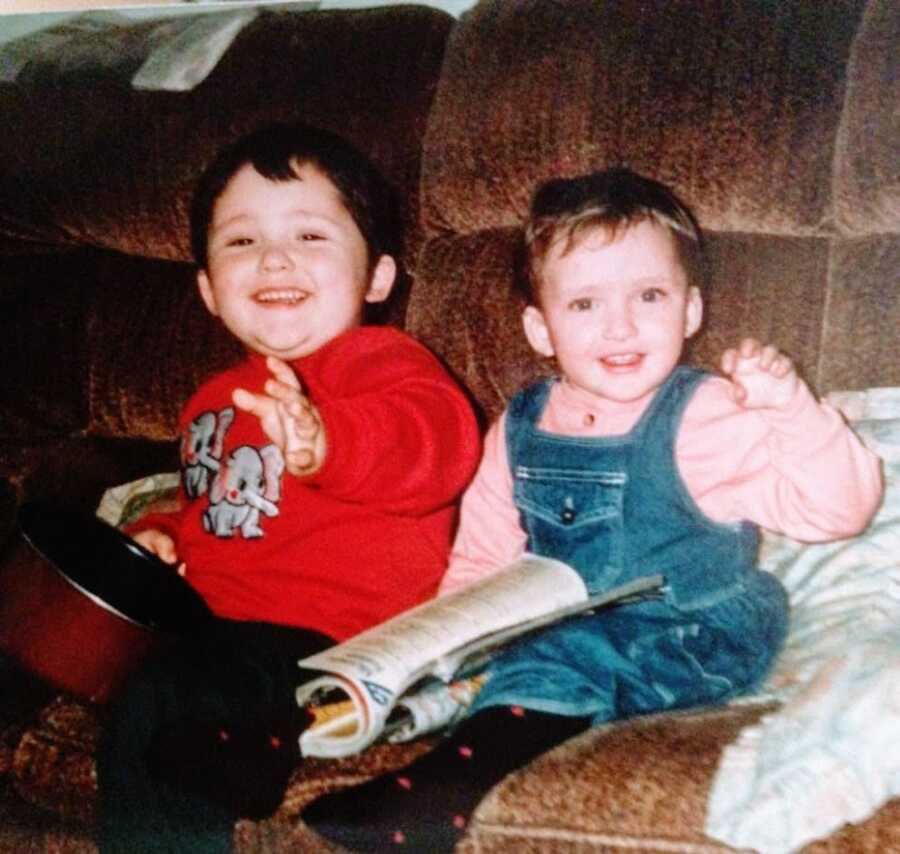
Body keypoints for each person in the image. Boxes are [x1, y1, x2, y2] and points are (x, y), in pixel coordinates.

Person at [301, 168, 884, 851]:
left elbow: (840, 511)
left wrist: (791, 409)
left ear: (689, 310)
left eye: (649, 295)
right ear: (540, 328)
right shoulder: (520, 425)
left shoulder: (705, 413)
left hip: (694, 630)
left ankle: (443, 794)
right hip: (558, 623)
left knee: (566, 651)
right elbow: (483, 559)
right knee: (466, 667)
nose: (622, 326)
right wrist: (444, 644)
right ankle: (281, 742)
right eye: (584, 305)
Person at [95, 121, 481, 853]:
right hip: (215, 634)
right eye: (241, 241)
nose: (274, 257)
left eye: (310, 236)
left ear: (378, 277)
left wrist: (329, 442)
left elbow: (437, 448)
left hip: (339, 642)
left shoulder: (384, 363)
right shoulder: (211, 399)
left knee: (169, 708)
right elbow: (222, 515)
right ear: (208, 288)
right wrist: (166, 538)